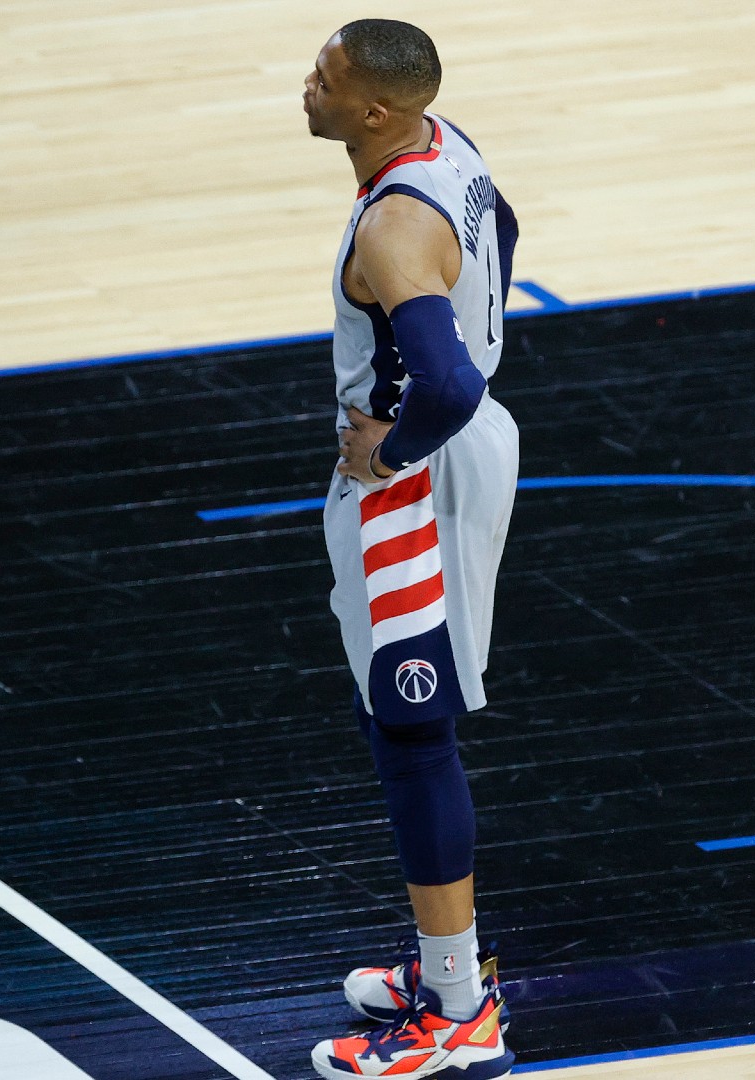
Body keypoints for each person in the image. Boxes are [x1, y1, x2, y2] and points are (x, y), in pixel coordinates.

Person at [300, 18, 520, 1080]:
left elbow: (446, 384)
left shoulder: (392, 227)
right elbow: (505, 229)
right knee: (393, 715)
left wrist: (393, 448)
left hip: (416, 487)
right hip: (459, 455)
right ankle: (448, 967)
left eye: (325, 79)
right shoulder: (448, 145)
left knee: (411, 731)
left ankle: (458, 1013)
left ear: (376, 110)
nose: (307, 88)